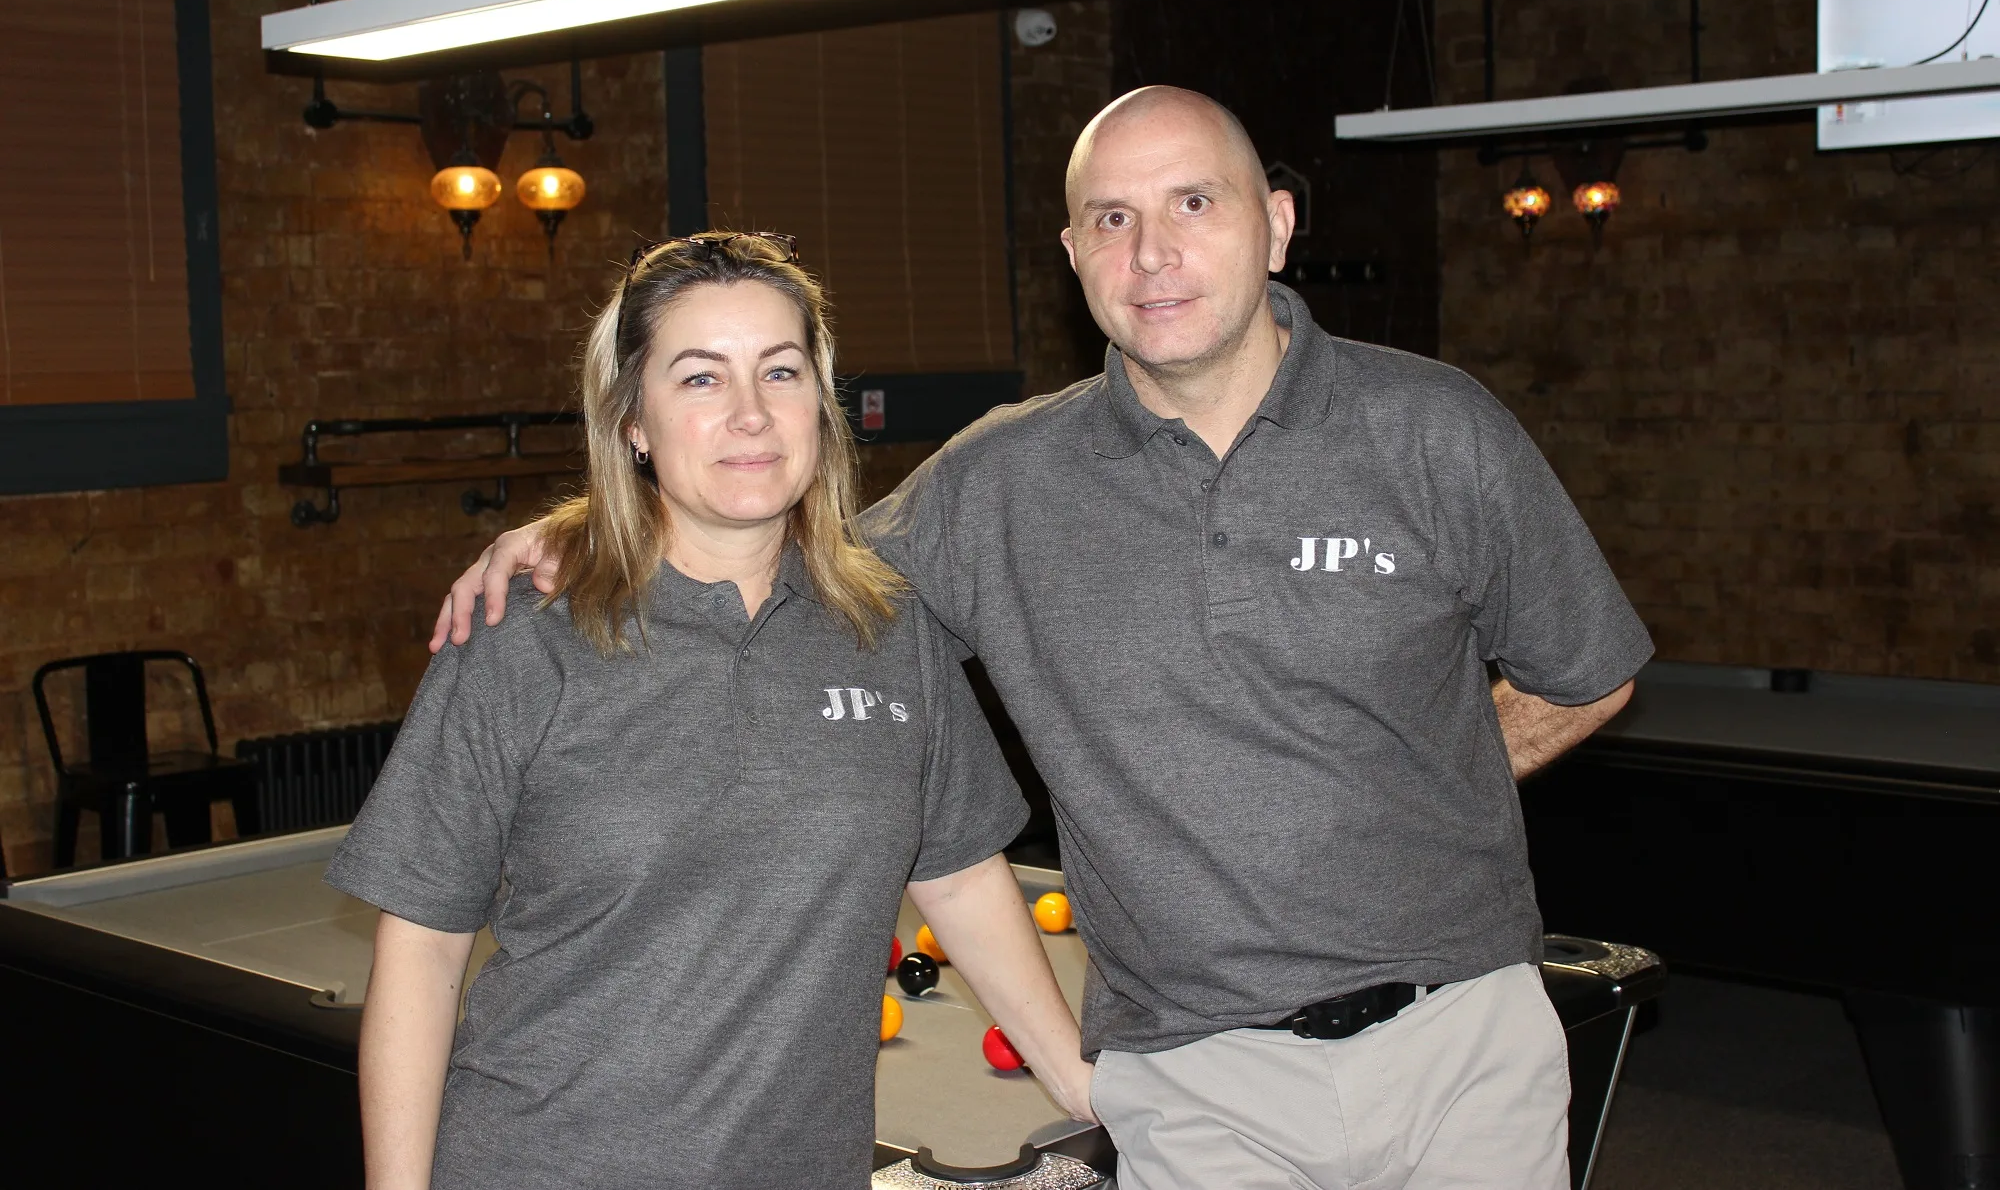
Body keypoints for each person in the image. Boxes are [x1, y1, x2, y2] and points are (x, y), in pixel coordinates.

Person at [435, 90, 1653, 1190]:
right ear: (1073, 254)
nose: (1152, 252)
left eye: (1192, 202)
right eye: (1110, 219)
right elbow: (790, 565)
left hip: (1462, 1044)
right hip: (1197, 1080)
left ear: (1275, 224)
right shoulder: (1000, 481)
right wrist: (588, 524)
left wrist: (1415, 791)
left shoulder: (1435, 430)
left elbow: (1589, 672)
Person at [334, 232, 1093, 1190]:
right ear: (633, 422)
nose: (749, 414)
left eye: (780, 371)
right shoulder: (521, 639)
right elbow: (422, 952)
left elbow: (961, 877)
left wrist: (1085, 1083)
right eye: (699, 379)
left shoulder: (890, 630)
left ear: (819, 403)